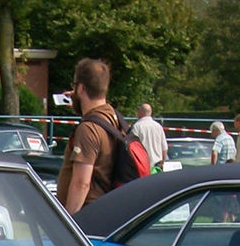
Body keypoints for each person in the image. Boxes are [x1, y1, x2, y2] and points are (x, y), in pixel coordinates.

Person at [56, 58, 123, 214]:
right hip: (105, 210)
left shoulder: (88, 129)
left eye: (75, 86)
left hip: (87, 214)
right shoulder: (113, 118)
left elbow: (81, 183)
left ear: (81, 88)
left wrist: (68, 223)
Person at [130, 103, 166, 170]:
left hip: (142, 166)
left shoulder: (137, 127)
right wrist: (162, 163)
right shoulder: (158, 126)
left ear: (140, 112)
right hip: (157, 167)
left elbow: (132, 147)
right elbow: (164, 148)